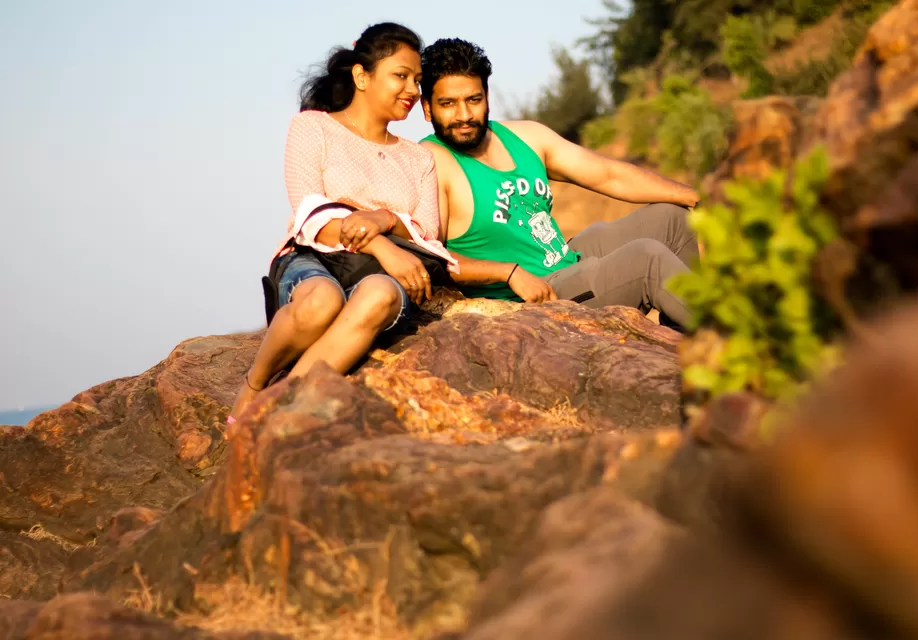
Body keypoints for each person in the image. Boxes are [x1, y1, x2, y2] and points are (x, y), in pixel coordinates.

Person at [229, 23, 456, 422]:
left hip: (381, 275)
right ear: (361, 76)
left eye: (417, 79)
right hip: (314, 256)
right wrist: (379, 242)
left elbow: (427, 232)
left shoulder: (419, 158)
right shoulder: (313, 127)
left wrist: (384, 218)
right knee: (322, 301)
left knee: (379, 295)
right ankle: (254, 386)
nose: (412, 89)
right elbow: (309, 212)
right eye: (401, 76)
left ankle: (280, 406)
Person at [418, 38, 701, 330]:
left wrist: (693, 196)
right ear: (427, 108)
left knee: (673, 218)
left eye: (473, 100)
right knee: (647, 260)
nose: (464, 115)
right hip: (533, 297)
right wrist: (508, 272)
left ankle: (681, 336)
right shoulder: (431, 161)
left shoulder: (525, 136)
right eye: (448, 104)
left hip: (562, 258)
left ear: (486, 96)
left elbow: (608, 174)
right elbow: (431, 257)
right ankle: (719, 341)